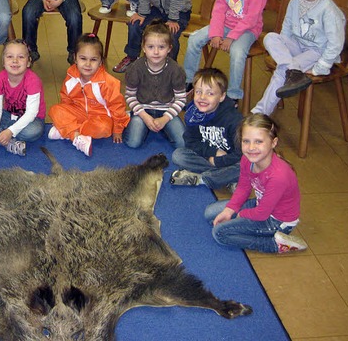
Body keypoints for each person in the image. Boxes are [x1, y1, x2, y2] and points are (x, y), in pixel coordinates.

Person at [203, 113, 308, 253]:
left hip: (276, 221)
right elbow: (243, 187)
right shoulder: (247, 159)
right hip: (261, 205)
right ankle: (247, 227)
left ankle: (274, 245)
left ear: (273, 143)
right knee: (210, 213)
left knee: (220, 233)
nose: (251, 147)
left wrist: (241, 214)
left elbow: (262, 214)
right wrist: (230, 210)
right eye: (246, 141)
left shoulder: (279, 176)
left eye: (258, 141)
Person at [252, 0, 345, 115]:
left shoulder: (328, 9)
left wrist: (320, 67)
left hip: (317, 51)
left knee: (282, 70)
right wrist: (284, 49)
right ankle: (293, 70)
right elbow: (287, 27)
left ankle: (260, 113)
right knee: (270, 37)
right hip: (297, 45)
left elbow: (336, 43)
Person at [183, 0, 267, 106]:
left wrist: (230, 37)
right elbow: (219, 9)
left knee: (237, 52)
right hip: (225, 25)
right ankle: (190, 81)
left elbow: (251, 18)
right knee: (194, 40)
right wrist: (216, 33)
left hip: (247, 30)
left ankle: (233, 95)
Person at [48, 34, 130, 156]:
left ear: (101, 62)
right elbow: (65, 99)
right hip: (79, 113)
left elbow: (117, 107)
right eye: (83, 58)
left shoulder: (108, 83)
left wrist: (118, 129)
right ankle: (76, 136)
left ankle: (67, 131)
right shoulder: (71, 76)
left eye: (93, 59)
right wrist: (66, 114)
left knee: (104, 128)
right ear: (75, 58)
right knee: (55, 110)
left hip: (99, 117)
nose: (87, 64)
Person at [170, 68, 243, 191]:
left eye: (210, 93)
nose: (202, 97)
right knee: (178, 156)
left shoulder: (234, 120)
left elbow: (241, 154)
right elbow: (191, 142)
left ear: (222, 96)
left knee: (250, 165)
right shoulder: (194, 115)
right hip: (210, 158)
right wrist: (213, 153)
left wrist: (220, 161)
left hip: (232, 159)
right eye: (198, 92)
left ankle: (202, 179)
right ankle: (226, 177)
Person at [123, 20, 186, 149]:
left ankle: (160, 126)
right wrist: (144, 116)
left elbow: (181, 98)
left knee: (183, 143)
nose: (156, 52)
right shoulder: (136, 68)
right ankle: (136, 118)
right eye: (151, 47)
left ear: (169, 48)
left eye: (161, 47)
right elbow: (130, 96)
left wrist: (165, 118)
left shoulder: (176, 70)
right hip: (143, 110)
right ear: (144, 48)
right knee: (133, 142)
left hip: (167, 110)